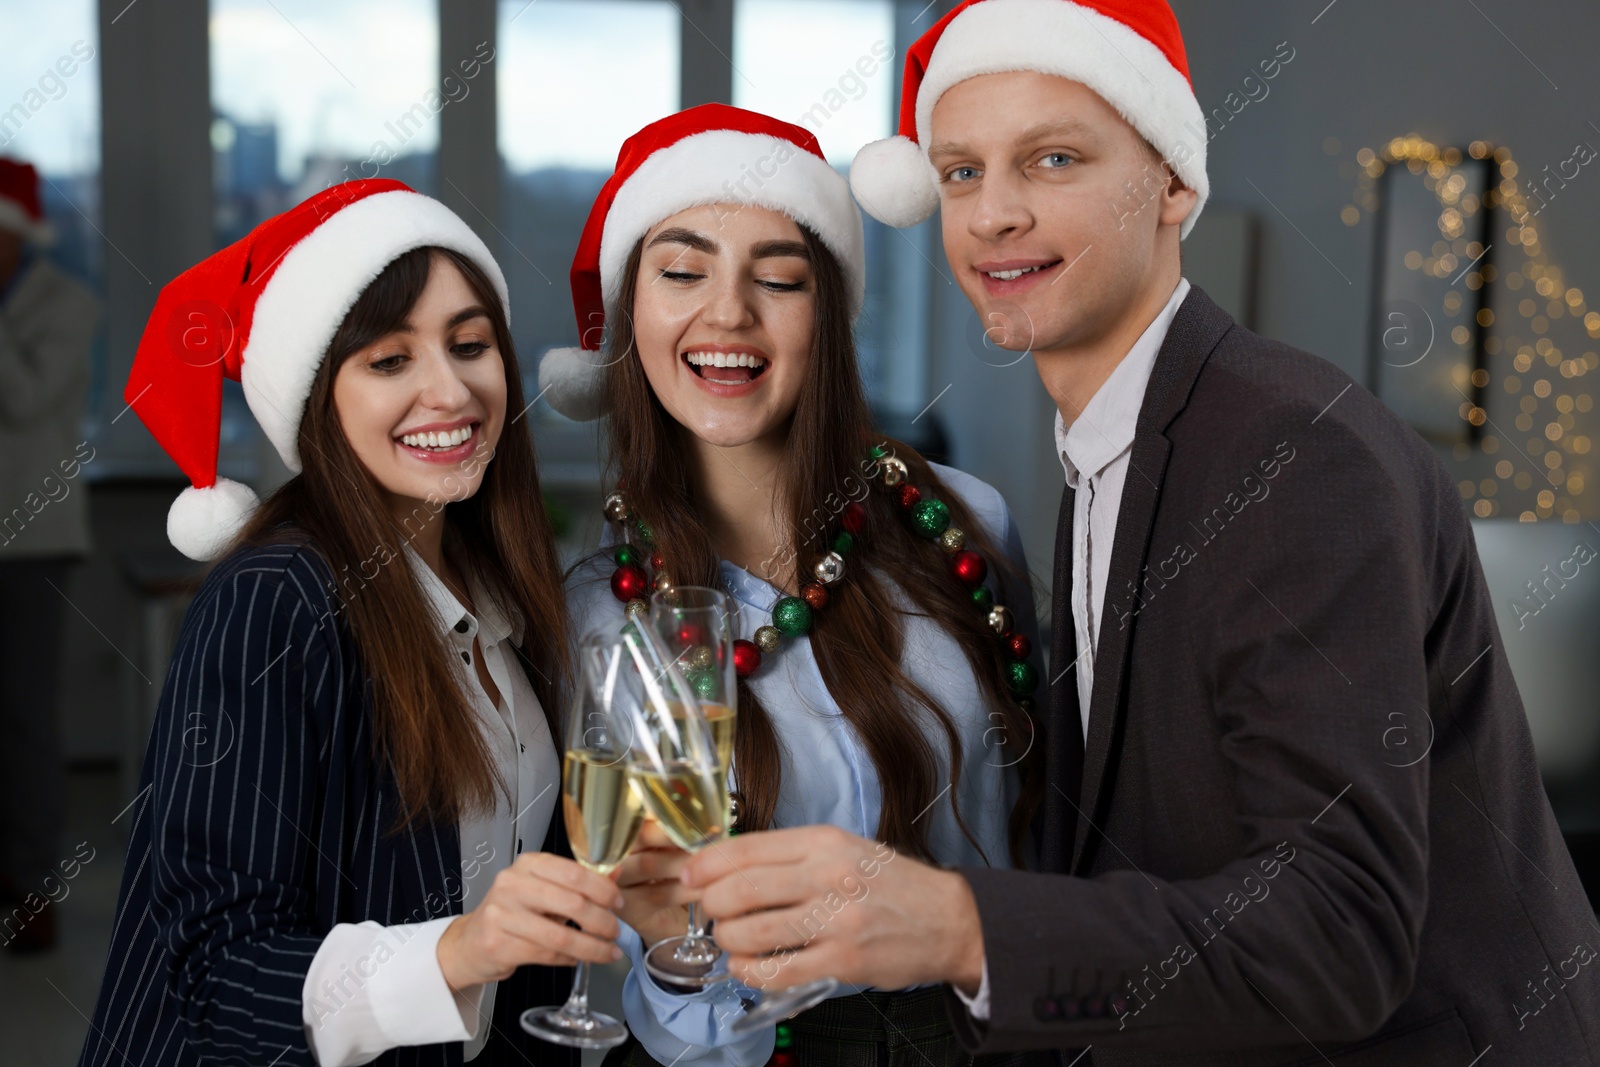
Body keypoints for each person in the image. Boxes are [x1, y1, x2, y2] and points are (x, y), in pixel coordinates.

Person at [679, 1, 1600, 1064]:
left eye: (1053, 158)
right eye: (962, 173)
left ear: (1171, 182)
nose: (992, 215)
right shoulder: (1108, 449)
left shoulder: (1288, 453)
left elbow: (1338, 930)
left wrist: (957, 923)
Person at [539, 104, 1049, 1066]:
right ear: (631, 314)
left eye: (778, 278)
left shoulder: (962, 522)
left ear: (831, 315)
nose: (728, 313)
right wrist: (661, 937)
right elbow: (671, 976)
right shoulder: (596, 614)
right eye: (682, 272)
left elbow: (1050, 823)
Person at [78, 179, 624, 1067]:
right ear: (317, 398)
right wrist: (460, 949)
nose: (450, 390)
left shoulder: (504, 595)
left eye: (470, 344)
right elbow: (213, 966)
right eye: (389, 360)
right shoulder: (276, 597)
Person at [0, 158, 99, 954]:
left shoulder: (71, 305)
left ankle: (31, 888)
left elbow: (26, 400)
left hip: (32, 543)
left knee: (26, 720)